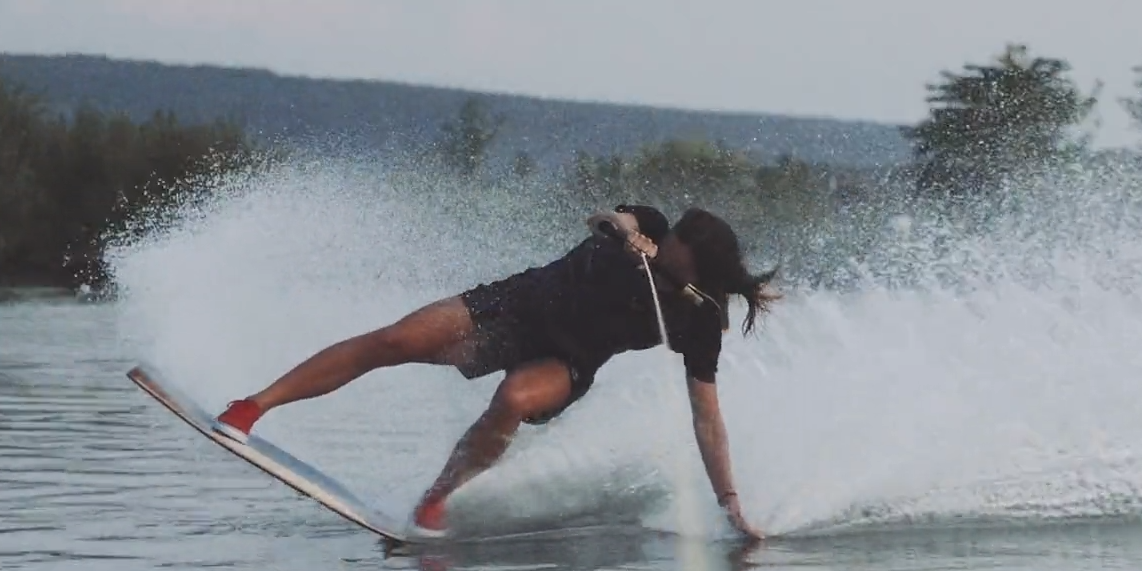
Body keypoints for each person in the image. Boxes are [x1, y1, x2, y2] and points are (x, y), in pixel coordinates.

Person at [212, 205, 775, 539]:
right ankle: (253, 407)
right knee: (395, 341)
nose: (666, 246)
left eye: (676, 250)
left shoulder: (700, 315)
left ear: (696, 266)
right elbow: (607, 217)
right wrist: (627, 235)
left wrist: (728, 500)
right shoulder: (647, 226)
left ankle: (436, 499)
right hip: (514, 308)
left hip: (568, 361)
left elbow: (706, 415)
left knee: (514, 399)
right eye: (668, 240)